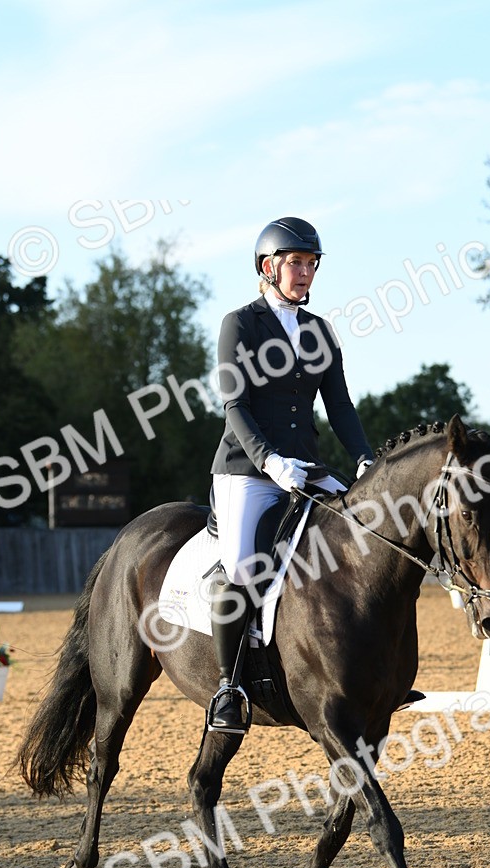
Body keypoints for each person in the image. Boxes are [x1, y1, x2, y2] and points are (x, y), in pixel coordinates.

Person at [207, 217, 374, 733]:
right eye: (296, 263)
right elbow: (234, 402)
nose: (305, 273)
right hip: (249, 471)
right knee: (239, 566)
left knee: (366, 544)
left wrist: (364, 459)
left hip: (306, 468)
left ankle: (370, 672)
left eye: (310, 264)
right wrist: (268, 460)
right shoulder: (240, 324)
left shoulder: (321, 331)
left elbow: (340, 406)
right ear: (268, 267)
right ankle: (228, 686)